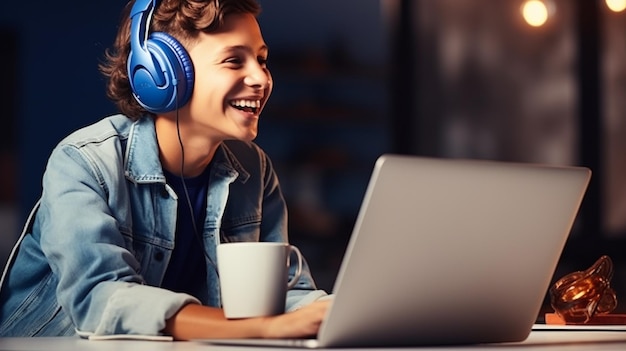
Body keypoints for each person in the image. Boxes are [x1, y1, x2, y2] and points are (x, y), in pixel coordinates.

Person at [0, 0, 331, 340]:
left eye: (262, 59)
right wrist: (261, 328)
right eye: (234, 61)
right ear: (162, 74)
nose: (261, 77)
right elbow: (100, 301)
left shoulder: (254, 170)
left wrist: (340, 311)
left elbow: (287, 294)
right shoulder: (84, 163)